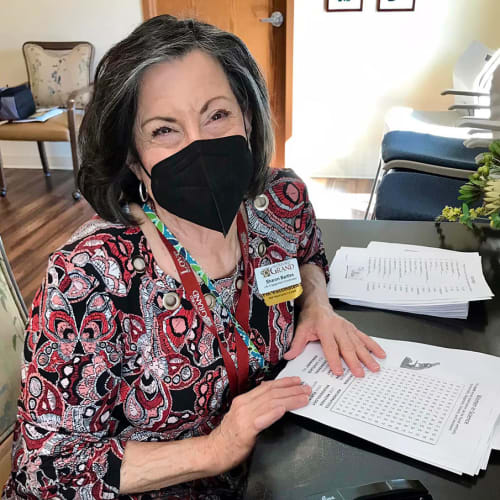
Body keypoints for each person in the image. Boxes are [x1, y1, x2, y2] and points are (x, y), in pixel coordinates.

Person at [2, 15, 385, 499]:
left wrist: (317, 306)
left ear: (248, 116)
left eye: (216, 115)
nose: (198, 145)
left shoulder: (280, 202)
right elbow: (46, 469)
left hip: (277, 472)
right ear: (133, 157)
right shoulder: (89, 278)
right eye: (164, 130)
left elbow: (308, 253)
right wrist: (216, 447)